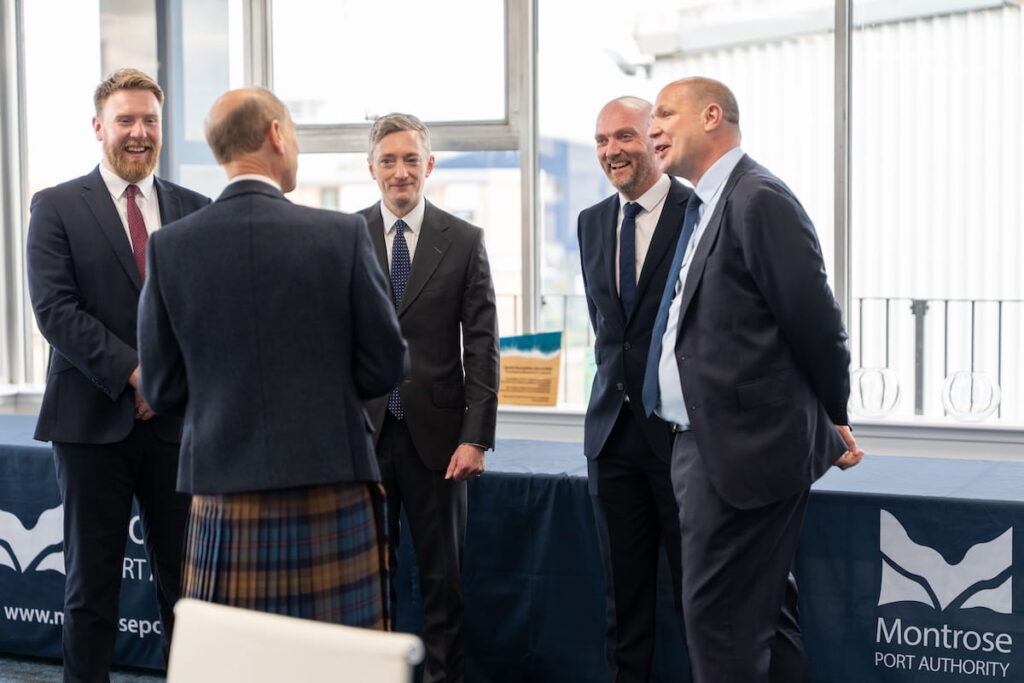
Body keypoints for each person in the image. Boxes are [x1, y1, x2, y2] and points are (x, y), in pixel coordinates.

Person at [136, 88, 407, 629]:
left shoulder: (171, 248)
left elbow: (162, 388)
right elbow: (386, 365)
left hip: (221, 493)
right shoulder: (341, 235)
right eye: (296, 135)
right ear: (276, 134)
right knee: (337, 665)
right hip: (332, 485)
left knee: (236, 662)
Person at [642, 77, 864, 682]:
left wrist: (832, 412)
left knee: (720, 629)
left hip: (741, 453)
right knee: (764, 618)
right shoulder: (709, 202)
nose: (651, 127)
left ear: (711, 116)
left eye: (665, 113)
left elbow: (815, 323)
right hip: (704, 447)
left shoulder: (757, 197)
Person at [25, 68, 210, 682]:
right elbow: (56, 313)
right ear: (98, 127)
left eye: (150, 120)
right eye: (126, 120)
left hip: (175, 428)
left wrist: (169, 386)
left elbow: (206, 316)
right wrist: (139, 374)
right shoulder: (54, 207)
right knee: (91, 589)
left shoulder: (194, 210)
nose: (139, 133)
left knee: (187, 591)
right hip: (89, 423)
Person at [358, 112, 499, 683]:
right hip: (365, 439)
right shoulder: (344, 238)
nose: (400, 171)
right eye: (388, 160)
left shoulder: (464, 241)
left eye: (410, 159)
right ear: (371, 168)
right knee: (369, 580)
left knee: (443, 581)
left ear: (429, 164)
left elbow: (484, 347)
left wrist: (475, 436)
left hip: (440, 444)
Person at [577, 96, 690, 682]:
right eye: (601, 141)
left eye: (623, 137)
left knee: (699, 606)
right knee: (624, 612)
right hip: (611, 440)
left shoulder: (698, 210)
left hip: (680, 441)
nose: (611, 151)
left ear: (654, 138)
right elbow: (607, 331)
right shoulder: (591, 221)